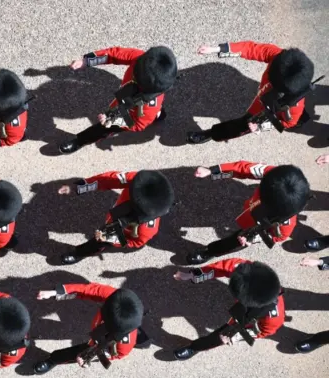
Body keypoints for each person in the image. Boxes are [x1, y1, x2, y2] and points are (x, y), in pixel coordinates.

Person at [187, 42, 315, 144]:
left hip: (269, 106)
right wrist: (217, 49)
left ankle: (212, 134)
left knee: (241, 126)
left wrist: (261, 127)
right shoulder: (280, 58)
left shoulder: (294, 107)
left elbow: (288, 123)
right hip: (267, 97)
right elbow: (252, 49)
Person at [59, 45, 177, 154]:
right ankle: (159, 115)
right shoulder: (144, 60)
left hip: (135, 108)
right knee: (154, 113)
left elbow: (137, 125)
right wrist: (87, 61)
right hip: (131, 98)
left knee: (104, 127)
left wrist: (113, 119)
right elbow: (115, 54)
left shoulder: (149, 106)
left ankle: (80, 140)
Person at [186, 161, 309, 264]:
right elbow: (244, 168)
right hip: (251, 209)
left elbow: (277, 237)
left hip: (254, 227)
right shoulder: (276, 175)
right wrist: (212, 170)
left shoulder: (285, 224)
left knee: (233, 243)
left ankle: (210, 251)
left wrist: (253, 238)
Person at [172, 258, 284, 360]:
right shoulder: (249, 271)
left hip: (250, 315)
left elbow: (263, 331)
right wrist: (194, 275)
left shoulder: (273, 318)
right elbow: (224, 267)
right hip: (251, 300)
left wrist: (236, 337)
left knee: (223, 335)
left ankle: (196, 347)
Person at [56, 169, 174, 265]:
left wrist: (109, 238)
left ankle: (81, 252)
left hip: (121, 228)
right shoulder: (138, 181)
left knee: (98, 242)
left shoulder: (146, 230)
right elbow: (108, 180)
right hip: (119, 214)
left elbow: (134, 242)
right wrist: (77, 187)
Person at [33, 283, 147, 374]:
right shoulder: (116, 297)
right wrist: (56, 292)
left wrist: (91, 354)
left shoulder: (124, 343)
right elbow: (90, 290)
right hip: (115, 325)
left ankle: (54, 359)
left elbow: (118, 354)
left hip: (107, 340)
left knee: (78, 352)